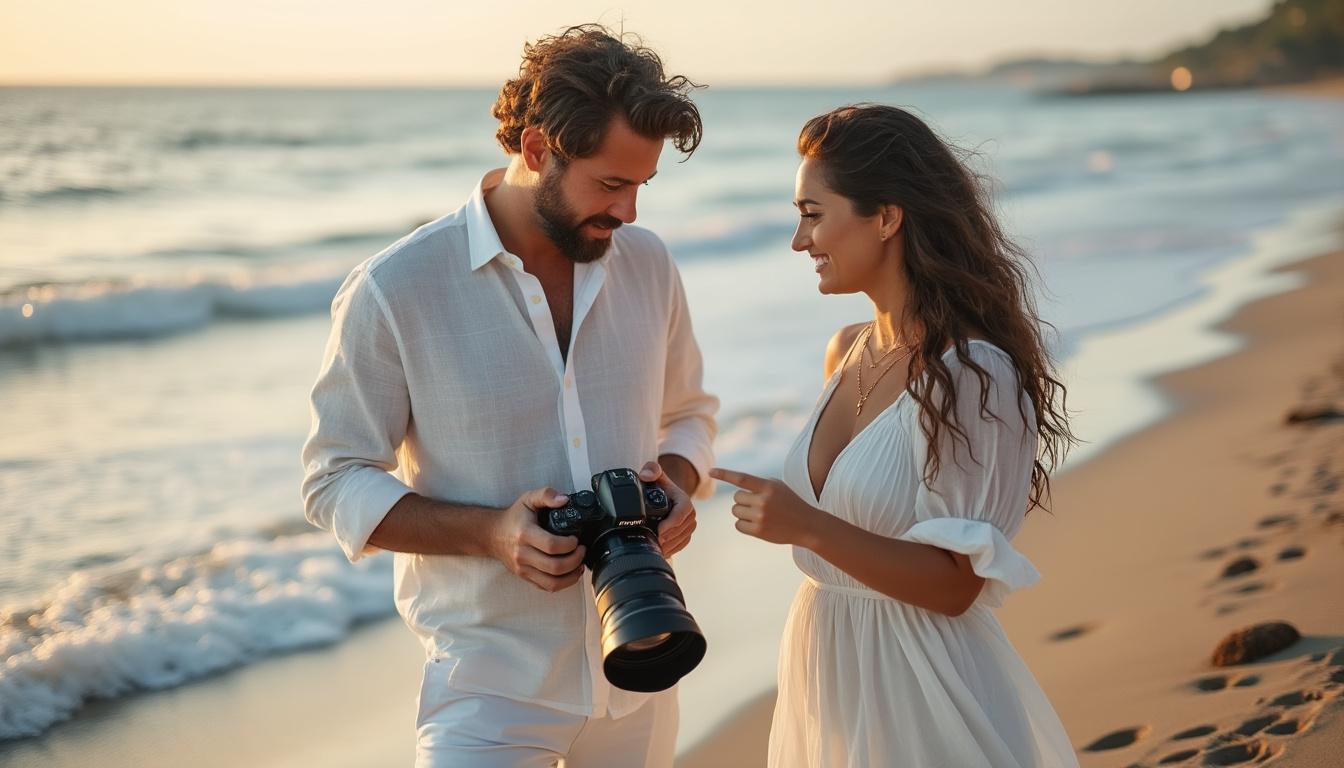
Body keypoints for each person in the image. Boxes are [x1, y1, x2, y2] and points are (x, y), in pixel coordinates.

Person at [300, 25, 718, 768]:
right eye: (611, 184)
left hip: (644, 659)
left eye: (641, 187)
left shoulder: (648, 266)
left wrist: (677, 487)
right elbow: (335, 480)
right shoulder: (397, 289)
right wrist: (492, 532)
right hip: (488, 686)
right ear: (535, 149)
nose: (629, 214)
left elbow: (689, 414)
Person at [710, 105, 1080, 767]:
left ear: (886, 216)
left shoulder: (972, 374)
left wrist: (807, 526)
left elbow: (955, 586)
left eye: (814, 214)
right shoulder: (845, 351)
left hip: (926, 692)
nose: (800, 241)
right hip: (831, 672)